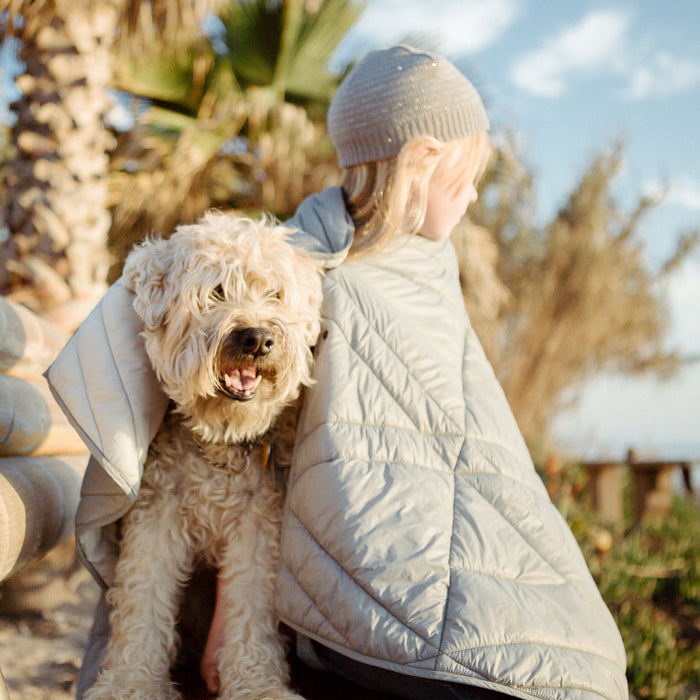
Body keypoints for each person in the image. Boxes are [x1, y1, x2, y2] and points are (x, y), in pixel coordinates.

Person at [200, 45, 630, 699]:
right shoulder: (302, 270)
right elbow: (250, 450)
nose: (477, 192)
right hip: (369, 563)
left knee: (576, 647)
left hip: (458, 547)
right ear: (422, 159)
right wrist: (232, 618)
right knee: (500, 659)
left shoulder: (433, 263)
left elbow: (463, 432)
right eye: (468, 173)